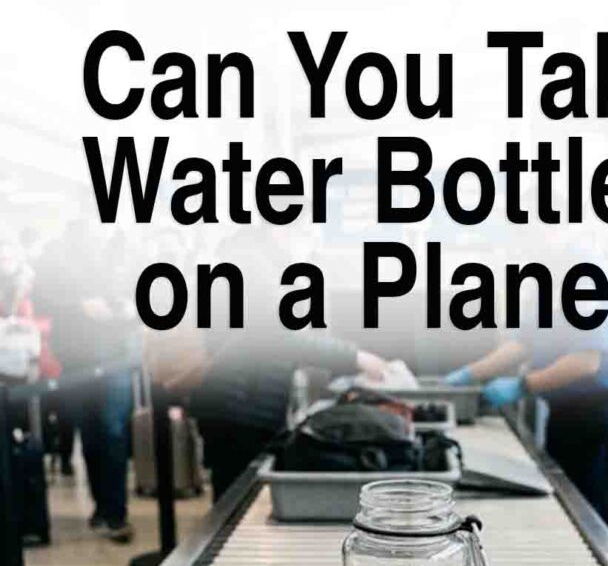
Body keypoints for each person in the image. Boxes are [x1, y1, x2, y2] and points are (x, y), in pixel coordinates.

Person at [157, 231, 390, 501]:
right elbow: (275, 335)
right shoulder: (253, 262)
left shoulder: (253, 260)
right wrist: (353, 356)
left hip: (233, 402)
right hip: (241, 406)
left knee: (235, 489)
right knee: (239, 495)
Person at [446, 261, 608, 526]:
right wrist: (468, 374)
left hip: (597, 417)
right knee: (566, 514)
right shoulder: (548, 274)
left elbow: (586, 361)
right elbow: (523, 343)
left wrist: (522, 385)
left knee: (589, 518)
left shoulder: (587, 275)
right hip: (565, 413)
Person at [34, 220, 140, 542]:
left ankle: (115, 511)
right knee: (94, 435)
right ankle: (104, 508)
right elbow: (43, 302)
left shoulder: (117, 259)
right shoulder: (55, 262)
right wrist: (80, 307)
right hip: (79, 364)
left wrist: (124, 309)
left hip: (113, 358)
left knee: (110, 431)